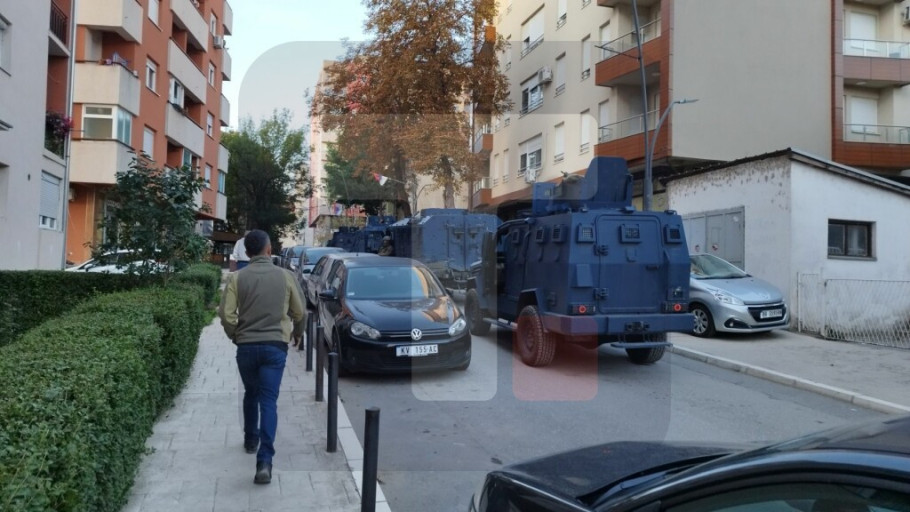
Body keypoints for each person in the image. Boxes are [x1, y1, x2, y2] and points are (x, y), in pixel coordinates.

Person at [218, 230, 306, 485]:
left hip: (246, 348)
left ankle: (250, 439)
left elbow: (226, 315)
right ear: (269, 250)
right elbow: (300, 313)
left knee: (251, 393)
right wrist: (297, 334)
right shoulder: (286, 276)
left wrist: (236, 336)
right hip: (274, 347)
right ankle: (264, 461)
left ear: (247, 253)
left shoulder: (237, 278)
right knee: (269, 401)